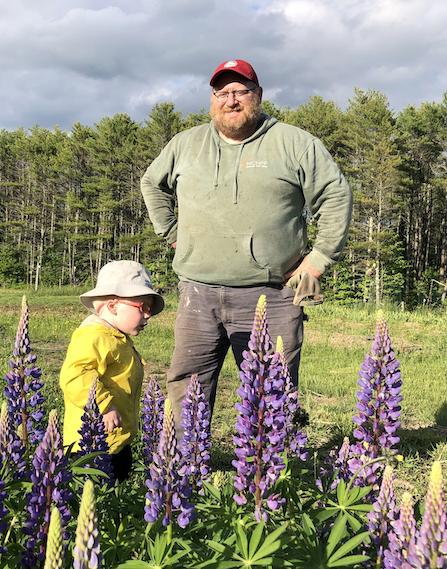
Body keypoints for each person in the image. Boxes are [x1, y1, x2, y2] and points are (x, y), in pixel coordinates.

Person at [141, 59, 353, 431]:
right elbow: (151, 184)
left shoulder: (294, 143)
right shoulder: (186, 144)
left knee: (273, 394)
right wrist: (173, 234)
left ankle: (269, 476)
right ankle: (183, 473)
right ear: (212, 99)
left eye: (241, 91)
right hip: (198, 293)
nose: (231, 100)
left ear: (258, 96)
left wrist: (318, 260)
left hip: (271, 295)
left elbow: (336, 196)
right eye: (222, 93)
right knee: (187, 388)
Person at [60, 260, 164, 482]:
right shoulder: (93, 336)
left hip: (115, 438)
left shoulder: (116, 337)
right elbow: (75, 376)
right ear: (113, 306)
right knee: (93, 495)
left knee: (116, 492)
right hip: (89, 442)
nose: (148, 315)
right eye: (143, 307)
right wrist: (104, 405)